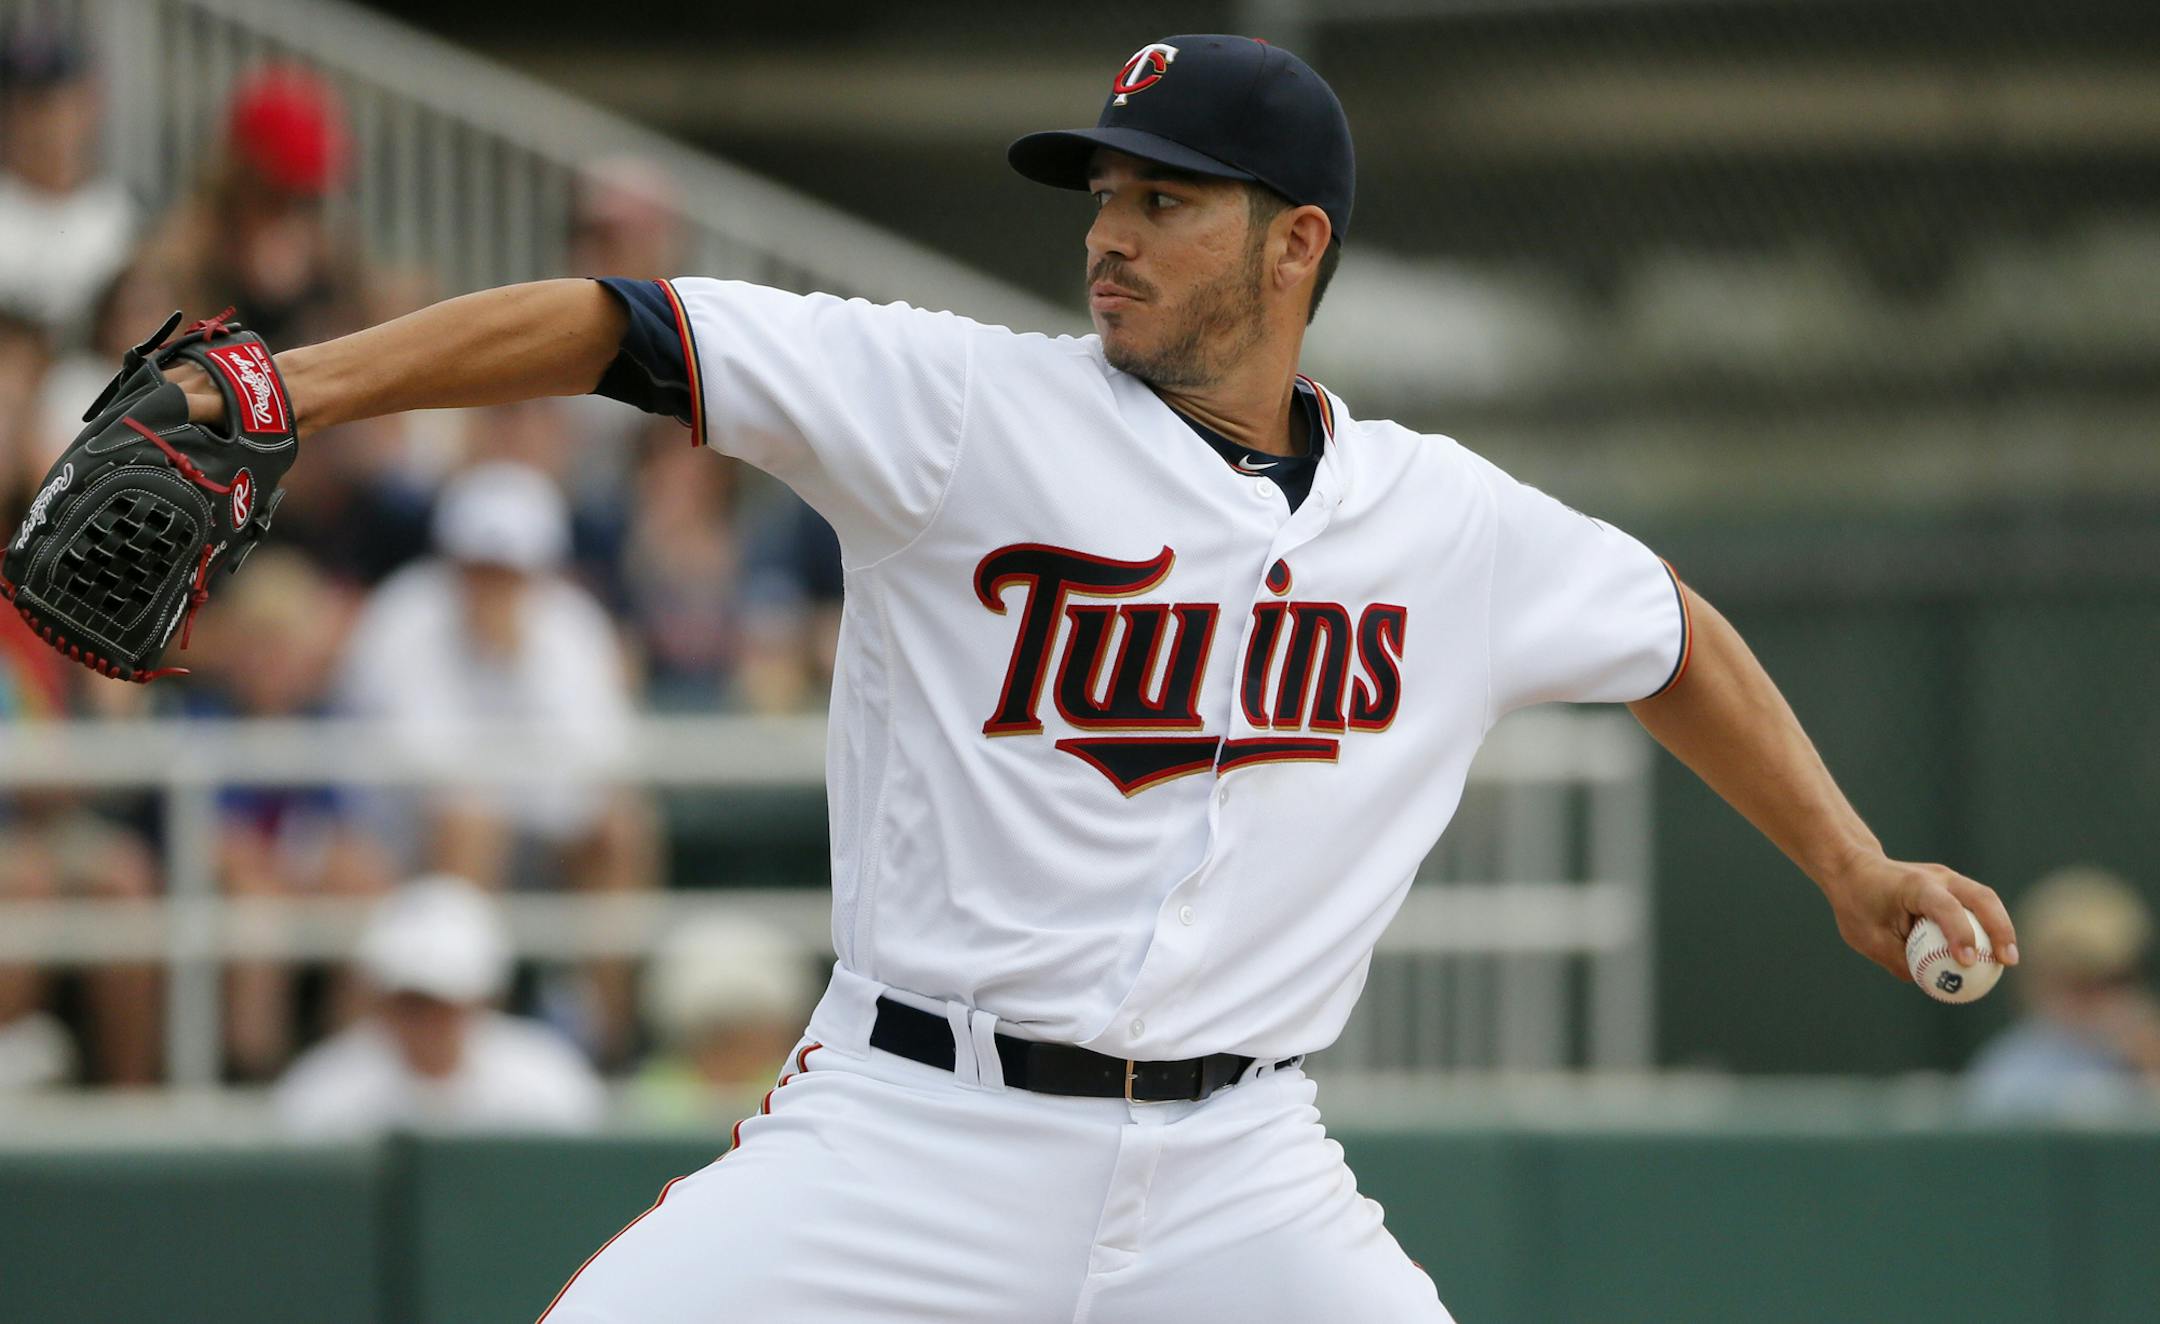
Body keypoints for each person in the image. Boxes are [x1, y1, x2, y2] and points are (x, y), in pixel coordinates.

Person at [165, 34, 2019, 1323]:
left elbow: (1668, 631)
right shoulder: (963, 406)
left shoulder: (1440, 521)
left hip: (1242, 1164)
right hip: (914, 1126)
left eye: (1170, 199)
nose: (1111, 230)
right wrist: (291, 386)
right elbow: (619, 330)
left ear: (1297, 245)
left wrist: (1852, 867)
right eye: (1106, 191)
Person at [334, 459, 657, 1064]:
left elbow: (603, 759)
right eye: (479, 567)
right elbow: (422, 768)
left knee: (620, 831)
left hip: (537, 833)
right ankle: (466, 1035)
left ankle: (610, 1046)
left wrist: (509, 663)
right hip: (400, 838)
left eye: (509, 571)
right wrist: (525, 775)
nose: (492, 585)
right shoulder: (402, 617)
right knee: (469, 820)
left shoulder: (571, 624)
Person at [271, 875, 607, 1137]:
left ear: (482, 1000)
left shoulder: (549, 1082)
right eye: (411, 1001)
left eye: (445, 1003)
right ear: (381, 1001)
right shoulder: (322, 1092)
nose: (428, 1020)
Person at [1965, 866, 2160, 1120]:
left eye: (2114, 980)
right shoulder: (2010, 1072)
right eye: (2080, 982)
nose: (2099, 999)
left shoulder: (2145, 1053)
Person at [0, 20, 135, 349]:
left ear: (91, 105)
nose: (50, 124)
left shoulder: (126, 214)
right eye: (34, 106)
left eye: (63, 105)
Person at [627, 916, 821, 1124]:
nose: (734, 1057)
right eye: (720, 1037)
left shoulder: (795, 1088)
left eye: (749, 1028)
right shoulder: (655, 1092)